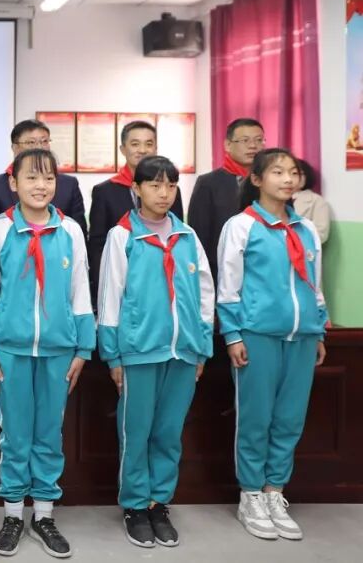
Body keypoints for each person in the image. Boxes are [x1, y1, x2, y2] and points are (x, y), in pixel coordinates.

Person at [0, 148, 94, 559]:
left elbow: (81, 291)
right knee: (15, 435)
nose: (41, 186)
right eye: (31, 177)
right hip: (9, 351)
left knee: (49, 434)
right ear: (13, 183)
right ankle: (12, 514)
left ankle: (43, 514)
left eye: (48, 178)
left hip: (59, 351)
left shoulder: (71, 231)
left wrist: (84, 347)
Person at [97, 156, 214, 548]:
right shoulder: (122, 236)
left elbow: (205, 295)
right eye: (155, 185)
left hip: (183, 351)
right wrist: (113, 355)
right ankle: (134, 505)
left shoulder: (188, 236)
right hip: (138, 351)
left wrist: (201, 347)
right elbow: (110, 297)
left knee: (169, 432)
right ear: (137, 189)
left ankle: (158, 502)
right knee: (136, 432)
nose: (164, 193)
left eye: (171, 185)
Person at [219, 148, 327, 542]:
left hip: (302, 337)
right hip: (258, 336)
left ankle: (274, 491)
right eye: (277, 172)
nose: (287, 179)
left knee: (289, 419)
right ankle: (250, 494)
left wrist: (318, 330)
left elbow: (315, 285)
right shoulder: (241, 226)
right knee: (256, 418)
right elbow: (228, 287)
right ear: (257, 179)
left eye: (293, 172)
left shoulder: (306, 228)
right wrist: (233, 334)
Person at [88, 121, 184, 308]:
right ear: (123, 149)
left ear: (156, 148)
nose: (142, 150)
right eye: (135, 144)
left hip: (163, 280)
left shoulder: (170, 190)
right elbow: (97, 246)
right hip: (123, 279)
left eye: (149, 144)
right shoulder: (104, 191)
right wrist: (102, 288)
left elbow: (177, 235)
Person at [0, 120, 86, 239]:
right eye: (31, 142)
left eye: (44, 141)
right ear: (14, 147)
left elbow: (79, 234)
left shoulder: (69, 184)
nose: (39, 147)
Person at [188, 118, 265, 282]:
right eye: (245, 140)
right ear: (228, 145)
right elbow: (200, 235)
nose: (253, 146)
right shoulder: (208, 183)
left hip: (264, 271)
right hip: (221, 272)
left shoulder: (271, 182)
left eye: (259, 140)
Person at [291, 159, 330, 243]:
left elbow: (321, 235)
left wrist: (292, 241)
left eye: (301, 174)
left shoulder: (317, 200)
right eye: (293, 173)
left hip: (303, 248)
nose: (297, 177)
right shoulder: (276, 198)